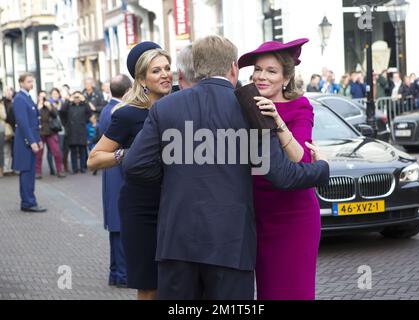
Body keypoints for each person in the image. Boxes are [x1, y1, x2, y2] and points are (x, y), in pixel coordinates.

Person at [122, 35, 329, 300]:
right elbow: (281, 174)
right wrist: (322, 168)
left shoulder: (165, 107)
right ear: (234, 68)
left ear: (194, 67)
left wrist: (171, 174)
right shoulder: (251, 109)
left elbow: (134, 166)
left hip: (177, 242)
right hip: (231, 243)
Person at [87, 41, 173, 300]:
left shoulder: (180, 106)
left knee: (176, 280)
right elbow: (94, 159)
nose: (165, 74)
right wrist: (126, 154)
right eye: (156, 70)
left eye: (167, 68)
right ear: (141, 79)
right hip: (142, 208)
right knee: (148, 283)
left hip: (177, 203)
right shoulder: (127, 115)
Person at [238, 38, 322, 300]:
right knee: (268, 292)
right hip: (258, 216)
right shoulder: (243, 104)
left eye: (271, 71)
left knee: (293, 292)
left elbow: (300, 159)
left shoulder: (300, 107)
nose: (261, 77)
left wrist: (277, 120)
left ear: (286, 78)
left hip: (294, 216)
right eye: (258, 70)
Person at [96, 74, 132, 288]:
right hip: (117, 170)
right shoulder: (118, 112)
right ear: (128, 91)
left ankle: (115, 272)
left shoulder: (106, 109)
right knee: (119, 226)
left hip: (111, 171)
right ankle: (120, 274)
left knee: (116, 226)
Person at [12, 73, 47, 212]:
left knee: (29, 173)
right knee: (27, 173)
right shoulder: (20, 98)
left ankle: (28, 201)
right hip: (24, 142)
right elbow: (23, 123)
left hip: (30, 140)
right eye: (28, 81)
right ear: (21, 83)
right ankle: (28, 202)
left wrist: (38, 140)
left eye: (32, 81)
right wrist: (31, 141)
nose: (31, 84)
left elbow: (34, 122)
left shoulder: (27, 97)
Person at [35, 90, 65, 179]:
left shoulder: (50, 105)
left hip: (51, 132)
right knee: (39, 154)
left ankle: (60, 170)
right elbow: (34, 118)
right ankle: (38, 172)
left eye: (44, 97)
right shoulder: (36, 106)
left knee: (56, 152)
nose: (43, 99)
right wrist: (39, 108)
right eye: (41, 97)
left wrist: (50, 108)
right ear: (38, 97)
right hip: (40, 132)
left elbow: (55, 115)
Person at [60, 91, 92, 174]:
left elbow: (89, 112)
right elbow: (62, 112)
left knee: (82, 150)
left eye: (78, 97)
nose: (76, 99)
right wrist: (68, 100)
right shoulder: (69, 106)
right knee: (73, 151)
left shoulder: (83, 105)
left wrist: (85, 101)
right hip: (71, 131)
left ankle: (82, 167)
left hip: (81, 131)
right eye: (75, 97)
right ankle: (75, 169)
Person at [2, 87, 15, 175]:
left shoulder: (14, 101)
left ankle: (12, 167)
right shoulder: (2, 103)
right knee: (6, 149)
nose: (8, 93)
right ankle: (7, 168)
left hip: (14, 128)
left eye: (10, 92)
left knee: (13, 149)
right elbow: (5, 117)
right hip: (6, 129)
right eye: (6, 92)